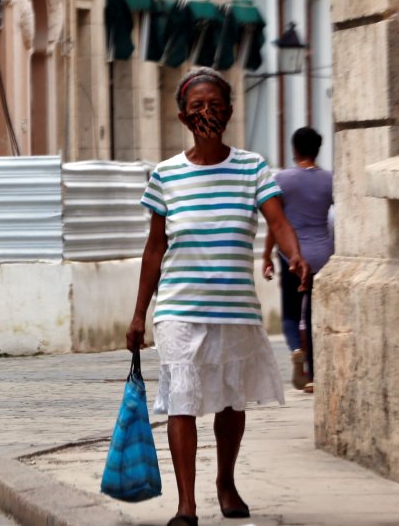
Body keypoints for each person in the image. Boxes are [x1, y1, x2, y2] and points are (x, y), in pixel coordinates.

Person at [126, 67, 310, 526]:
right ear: (182, 116)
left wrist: (295, 255)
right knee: (183, 398)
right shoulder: (165, 175)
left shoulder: (252, 168)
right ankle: (186, 504)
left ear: (228, 112)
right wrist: (137, 316)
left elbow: (278, 221)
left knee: (230, 402)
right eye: (197, 107)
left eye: (215, 105)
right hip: (178, 308)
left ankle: (225, 481)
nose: (206, 113)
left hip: (235, 308)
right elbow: (154, 249)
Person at [263, 127, 334, 393]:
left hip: (291, 255)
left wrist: (267, 254)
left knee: (292, 314)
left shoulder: (281, 179)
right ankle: (314, 375)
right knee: (315, 317)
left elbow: (275, 223)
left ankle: (295, 349)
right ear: (318, 149)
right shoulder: (330, 180)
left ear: (294, 149)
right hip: (324, 256)